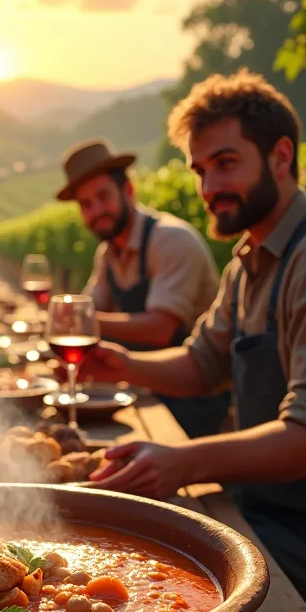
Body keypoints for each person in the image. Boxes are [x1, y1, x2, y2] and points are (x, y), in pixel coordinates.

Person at [87, 71, 306, 612]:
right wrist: (119, 363)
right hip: (259, 504)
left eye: (226, 162)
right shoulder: (249, 259)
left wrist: (184, 461)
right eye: (199, 170)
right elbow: (202, 363)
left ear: (281, 156)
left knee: (146, 588)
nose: (209, 187)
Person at [56, 138, 231, 438]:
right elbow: (90, 307)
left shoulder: (170, 240)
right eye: (86, 205)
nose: (97, 210)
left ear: (129, 190)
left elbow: (159, 328)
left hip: (192, 406)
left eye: (102, 197)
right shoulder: (109, 254)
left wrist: (78, 319)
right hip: (144, 391)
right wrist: (72, 322)